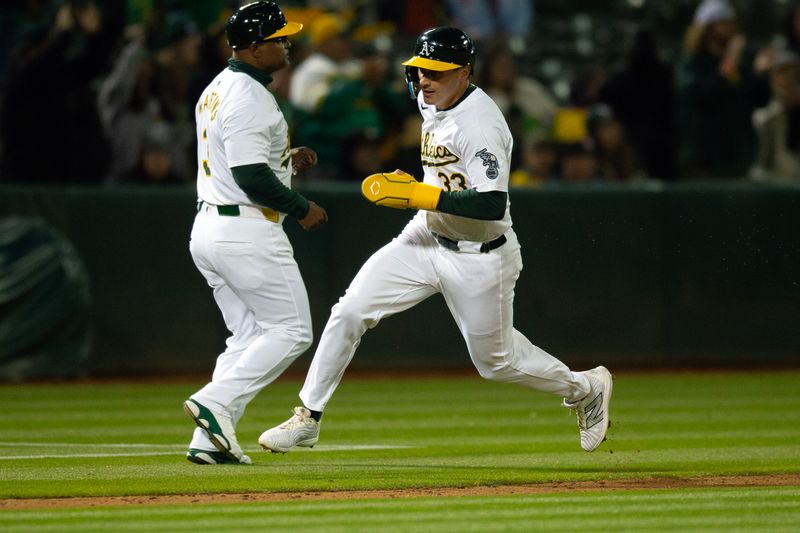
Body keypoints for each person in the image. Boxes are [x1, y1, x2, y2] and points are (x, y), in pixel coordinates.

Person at [259, 27, 613, 455]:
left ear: (465, 72)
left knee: (496, 363)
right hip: (426, 235)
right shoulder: (434, 99)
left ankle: (584, 388)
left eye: (436, 72)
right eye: (420, 69)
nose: (424, 79)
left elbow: (492, 205)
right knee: (349, 311)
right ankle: (308, 417)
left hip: (481, 256)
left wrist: (417, 194)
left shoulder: (480, 123)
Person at [181, 1, 328, 465]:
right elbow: (248, 174)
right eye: (278, 38)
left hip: (211, 224)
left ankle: (209, 441)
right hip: (245, 228)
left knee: (246, 337)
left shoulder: (219, 88)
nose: (287, 43)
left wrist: (287, 161)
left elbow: (243, 160)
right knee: (292, 330)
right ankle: (215, 401)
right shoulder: (248, 95)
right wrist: (300, 206)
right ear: (252, 46)